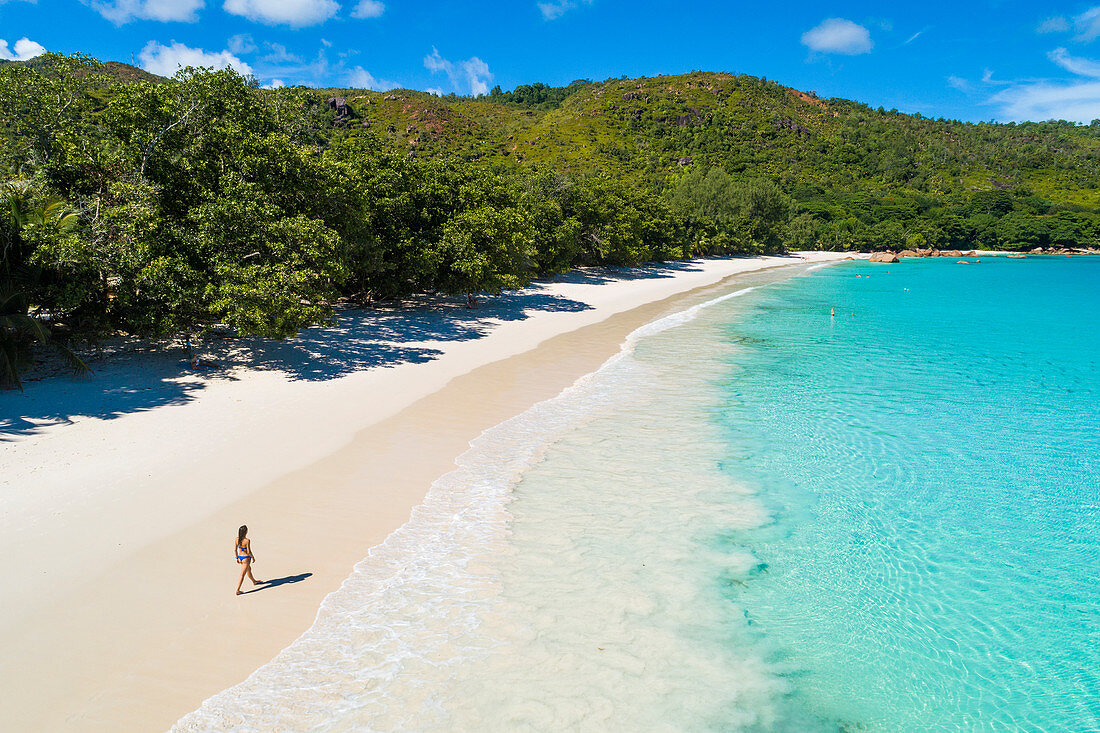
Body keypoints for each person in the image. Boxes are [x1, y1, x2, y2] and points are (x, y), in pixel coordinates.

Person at [235, 525, 263, 595]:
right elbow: (248, 552)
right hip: (246, 559)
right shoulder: (247, 541)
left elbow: (235, 550)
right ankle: (237, 590)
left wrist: (237, 558)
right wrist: (253, 557)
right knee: (242, 575)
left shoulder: (236, 539)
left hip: (240, 557)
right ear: (246, 532)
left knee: (249, 569)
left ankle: (254, 581)